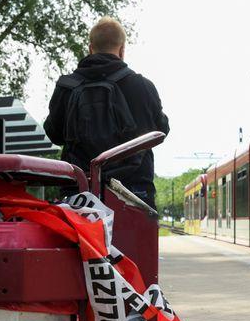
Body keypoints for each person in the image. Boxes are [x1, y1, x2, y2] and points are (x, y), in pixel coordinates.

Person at [44, 17, 170, 209]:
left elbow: (54, 134)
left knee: (80, 239)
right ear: (122, 50)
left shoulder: (66, 87)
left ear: (90, 47)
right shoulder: (142, 86)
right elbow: (161, 130)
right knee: (136, 239)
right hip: (133, 192)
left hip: (79, 191)